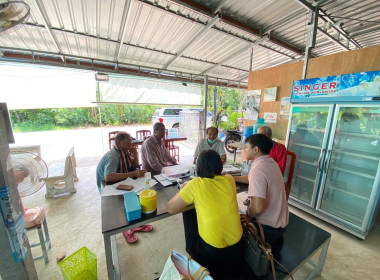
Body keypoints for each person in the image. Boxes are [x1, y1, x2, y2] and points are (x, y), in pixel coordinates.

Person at [168, 150, 244, 279]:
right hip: (237, 248)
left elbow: (171, 208)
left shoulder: (195, 184)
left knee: (188, 210)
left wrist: (181, 191)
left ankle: (195, 257)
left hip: (213, 253)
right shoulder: (229, 179)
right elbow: (223, 177)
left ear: (199, 167)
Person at [235, 134, 289, 246]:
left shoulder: (258, 169)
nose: (244, 150)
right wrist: (232, 178)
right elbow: (251, 179)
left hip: (268, 229)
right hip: (280, 224)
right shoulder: (270, 162)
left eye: (247, 147)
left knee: (231, 225)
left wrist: (249, 216)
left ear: (256, 149)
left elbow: (258, 209)